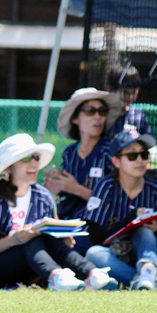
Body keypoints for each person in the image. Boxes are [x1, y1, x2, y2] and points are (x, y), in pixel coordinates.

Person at [0, 133, 117, 292]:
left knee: (40, 236)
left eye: (36, 157)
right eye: (25, 159)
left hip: (30, 270)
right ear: (9, 168)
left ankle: (91, 274)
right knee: (29, 238)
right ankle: (57, 277)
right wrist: (12, 240)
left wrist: (63, 237)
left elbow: (50, 240)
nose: (33, 164)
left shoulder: (43, 196)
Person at [84, 131, 157, 290]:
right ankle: (153, 282)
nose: (140, 160)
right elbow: (94, 237)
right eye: (132, 156)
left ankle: (147, 273)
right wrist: (129, 220)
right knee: (93, 253)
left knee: (144, 232)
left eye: (144, 155)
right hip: (115, 260)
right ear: (116, 161)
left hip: (153, 260)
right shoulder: (105, 187)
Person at [44, 87, 121, 254]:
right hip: (68, 223)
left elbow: (114, 202)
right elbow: (67, 199)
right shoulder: (69, 153)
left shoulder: (112, 152)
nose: (97, 117)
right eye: (90, 111)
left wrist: (76, 189)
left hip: (97, 227)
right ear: (75, 119)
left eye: (102, 111)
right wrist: (60, 190)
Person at [106, 64, 152, 140]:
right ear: (110, 89)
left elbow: (147, 141)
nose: (130, 97)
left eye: (134, 93)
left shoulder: (138, 115)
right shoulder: (102, 115)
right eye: (126, 93)